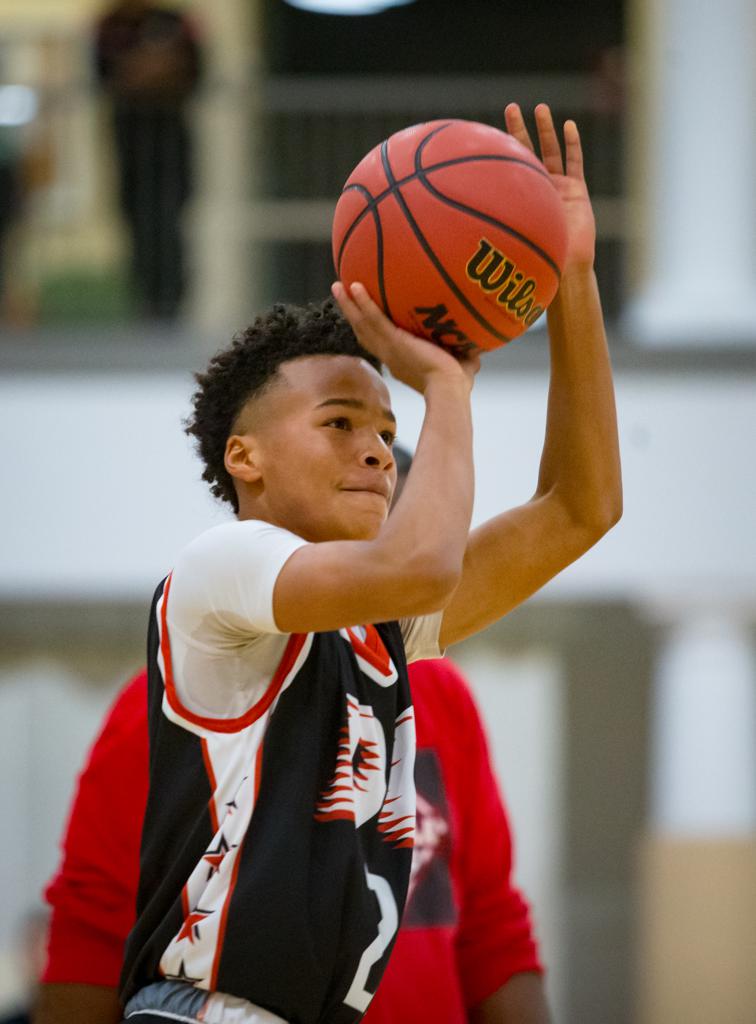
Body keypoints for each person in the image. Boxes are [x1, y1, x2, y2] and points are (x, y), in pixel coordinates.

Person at [46, 104, 621, 1023]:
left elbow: (582, 508)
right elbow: (425, 564)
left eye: (387, 432)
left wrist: (574, 279)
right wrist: (442, 386)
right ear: (246, 458)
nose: (379, 453)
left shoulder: (375, 620)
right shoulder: (221, 571)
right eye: (341, 425)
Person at [37, 449, 551, 1024]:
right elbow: (91, 932)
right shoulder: (159, 704)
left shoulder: (442, 695)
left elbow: (491, 924)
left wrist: (449, 386)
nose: (397, 572)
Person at [94, 0, 202, 320]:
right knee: (137, 225)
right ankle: (146, 305)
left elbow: (195, 73)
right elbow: (106, 78)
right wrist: (155, 67)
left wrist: (143, 72)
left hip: (170, 145)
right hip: (131, 146)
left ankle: (171, 306)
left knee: (170, 223)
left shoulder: (178, 21)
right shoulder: (109, 24)